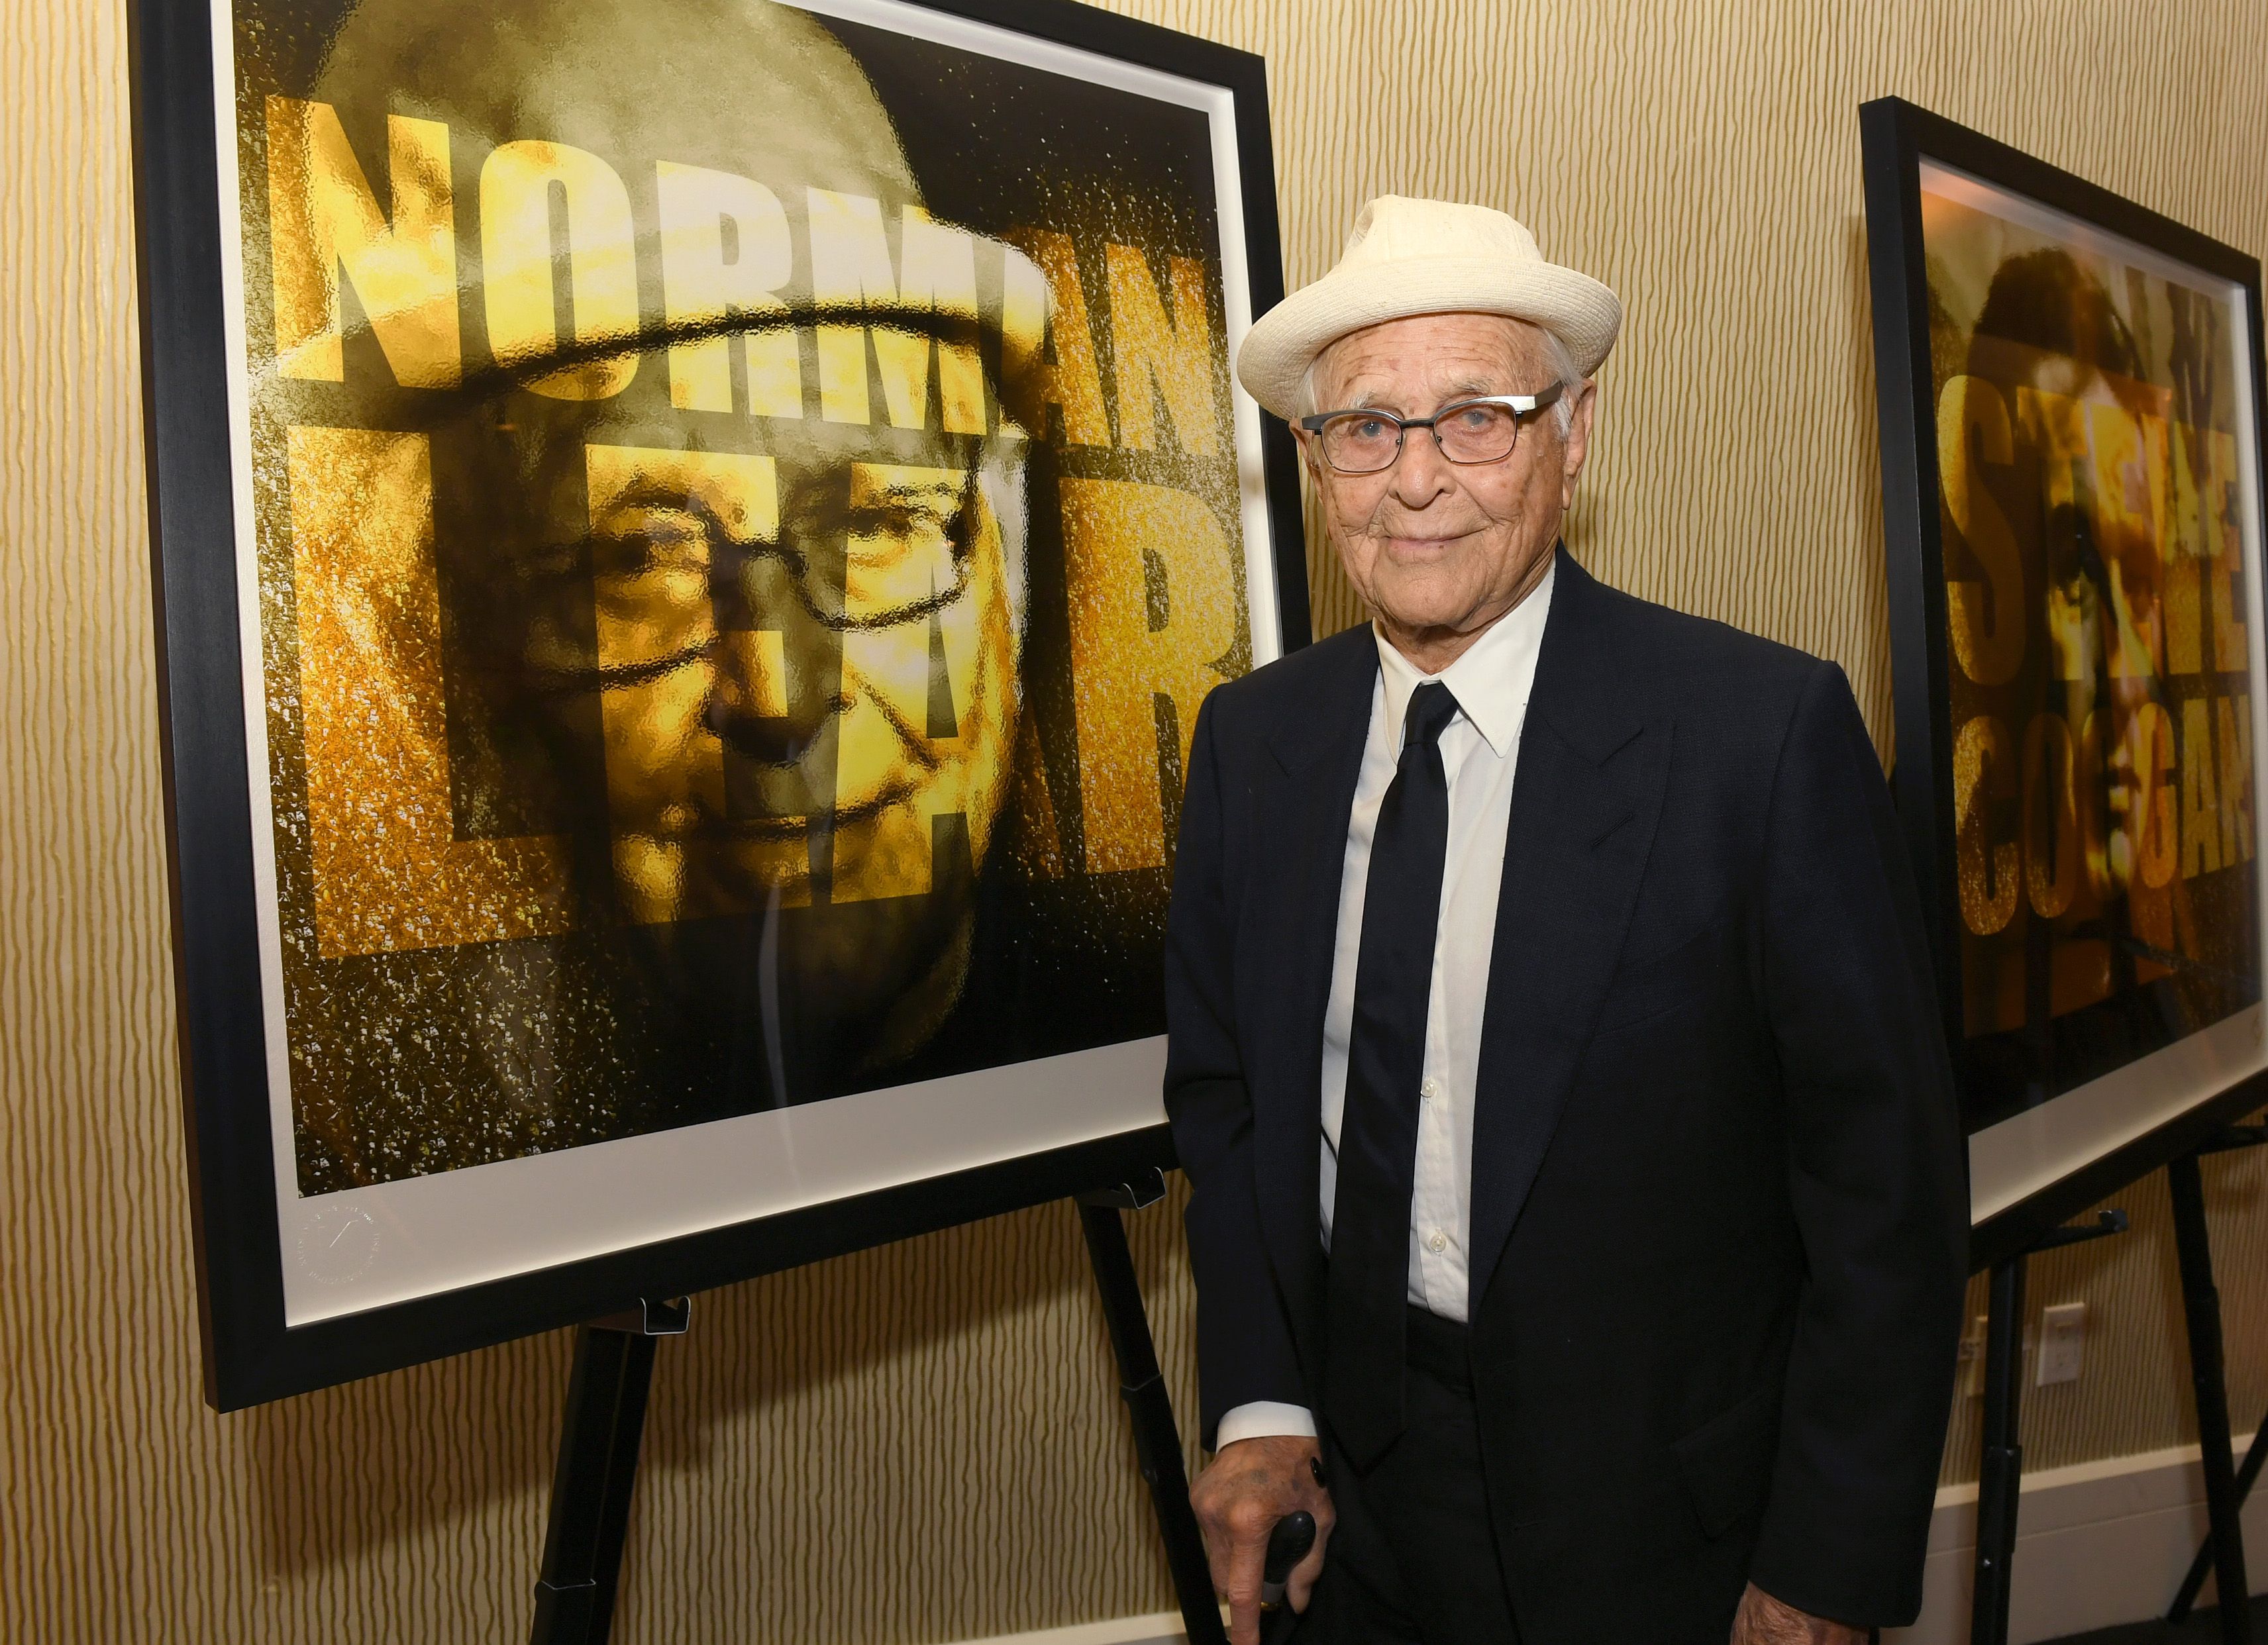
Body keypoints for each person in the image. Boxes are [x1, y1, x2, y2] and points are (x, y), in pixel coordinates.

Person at [1163, 195, 1967, 1644]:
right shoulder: (1249, 745)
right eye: (1364, 428)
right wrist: (1263, 1401)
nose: (1414, 481)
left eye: (1474, 416)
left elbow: (1882, 1192)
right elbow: (1230, 1109)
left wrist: (1821, 1568)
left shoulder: (1757, 736)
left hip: (1661, 1524)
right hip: (1346, 1502)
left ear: (1569, 433)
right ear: (1313, 462)